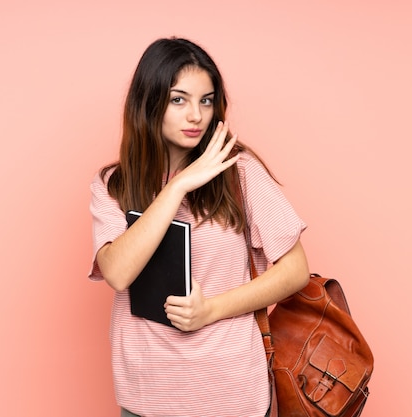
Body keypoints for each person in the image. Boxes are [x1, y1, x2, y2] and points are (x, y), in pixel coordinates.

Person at [89, 37, 310, 417]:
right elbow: (118, 273)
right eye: (179, 99)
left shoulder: (239, 172)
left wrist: (210, 310)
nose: (196, 115)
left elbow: (296, 271)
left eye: (206, 100)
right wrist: (178, 186)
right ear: (149, 101)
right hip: (146, 394)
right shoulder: (114, 184)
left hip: (231, 393)